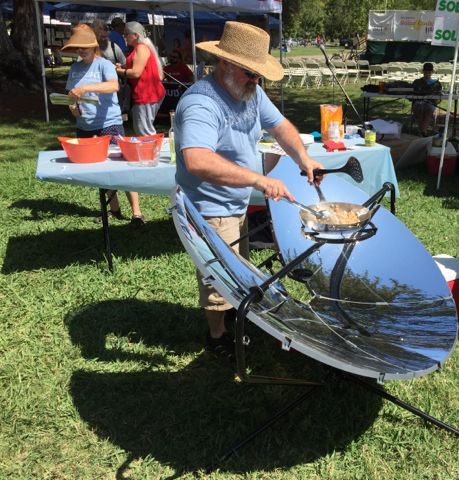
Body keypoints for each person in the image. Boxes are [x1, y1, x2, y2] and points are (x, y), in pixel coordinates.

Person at [174, 21, 325, 357]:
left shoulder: (251, 92)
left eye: (259, 75)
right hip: (209, 207)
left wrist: (304, 159)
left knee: (237, 270)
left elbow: (281, 126)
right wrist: (259, 180)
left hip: (235, 200)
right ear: (224, 63)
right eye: (249, 73)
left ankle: (237, 318)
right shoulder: (201, 103)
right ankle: (217, 337)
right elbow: (197, 160)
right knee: (218, 278)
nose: (256, 81)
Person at [61, 24, 128, 221]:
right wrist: (73, 107)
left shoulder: (104, 64)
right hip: (85, 125)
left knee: (122, 167)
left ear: (93, 46)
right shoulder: (74, 68)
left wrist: (85, 89)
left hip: (109, 123)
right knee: (100, 170)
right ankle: (113, 209)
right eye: (78, 48)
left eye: (85, 47)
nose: (82, 51)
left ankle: (137, 212)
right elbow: (71, 96)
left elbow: (113, 86)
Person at [115, 21, 166, 226]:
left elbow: (136, 73)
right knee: (144, 129)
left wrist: (118, 71)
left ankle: (154, 163)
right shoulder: (140, 47)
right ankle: (152, 159)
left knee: (145, 131)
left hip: (146, 95)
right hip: (146, 94)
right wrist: (122, 67)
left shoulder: (142, 48)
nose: (125, 37)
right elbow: (133, 68)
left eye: (127, 34)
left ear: (134, 35)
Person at [411, 62, 442, 137]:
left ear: (432, 72)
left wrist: (436, 101)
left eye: (429, 71)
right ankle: (423, 132)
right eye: (426, 71)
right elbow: (411, 95)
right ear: (423, 71)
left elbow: (439, 97)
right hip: (418, 102)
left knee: (428, 110)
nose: (428, 72)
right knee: (420, 109)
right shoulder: (417, 82)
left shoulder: (437, 83)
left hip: (430, 103)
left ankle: (422, 132)